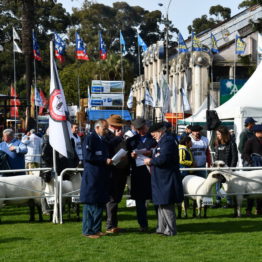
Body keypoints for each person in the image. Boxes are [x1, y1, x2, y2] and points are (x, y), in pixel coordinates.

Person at [144, 123, 184, 236]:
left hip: (167, 178)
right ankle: (161, 229)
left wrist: (150, 161)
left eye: (154, 133)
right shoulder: (163, 141)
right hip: (161, 178)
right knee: (161, 203)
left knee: (166, 204)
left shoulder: (168, 141)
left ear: (161, 131)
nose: (153, 136)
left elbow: (163, 159)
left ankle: (171, 230)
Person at [80, 119, 112, 239]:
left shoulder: (103, 140)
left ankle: (96, 229)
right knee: (91, 203)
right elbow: (88, 156)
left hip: (101, 175)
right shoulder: (90, 138)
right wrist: (104, 160)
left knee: (99, 202)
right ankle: (88, 230)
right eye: (104, 128)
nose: (106, 130)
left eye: (106, 128)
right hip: (92, 176)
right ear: (97, 128)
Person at [126, 117, 157, 232]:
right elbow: (127, 157)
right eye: (138, 129)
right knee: (139, 202)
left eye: (142, 128)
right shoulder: (131, 141)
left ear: (146, 126)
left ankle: (161, 223)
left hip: (152, 173)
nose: (140, 131)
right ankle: (143, 225)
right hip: (138, 174)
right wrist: (131, 156)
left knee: (156, 200)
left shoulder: (154, 139)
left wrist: (150, 154)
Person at [103, 114, 129, 233]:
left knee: (116, 198)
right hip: (112, 171)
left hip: (121, 171)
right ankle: (110, 225)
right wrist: (117, 138)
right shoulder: (108, 135)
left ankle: (114, 224)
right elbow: (107, 148)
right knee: (112, 199)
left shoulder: (117, 136)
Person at [213, 126, 238, 208]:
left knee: (227, 187)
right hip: (218, 169)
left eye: (219, 134)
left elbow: (235, 157)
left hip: (227, 170)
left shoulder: (231, 143)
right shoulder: (217, 143)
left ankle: (229, 202)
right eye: (217, 134)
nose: (217, 136)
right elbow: (216, 156)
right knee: (218, 187)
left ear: (224, 134)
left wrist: (231, 169)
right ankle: (218, 201)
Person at [242, 124, 262, 216]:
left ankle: (259, 209)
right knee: (252, 190)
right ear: (256, 132)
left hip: (260, 167)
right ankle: (248, 210)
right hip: (253, 168)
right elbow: (245, 153)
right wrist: (251, 162)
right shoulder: (250, 141)